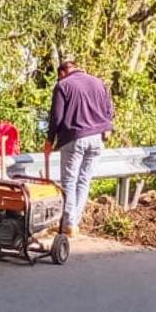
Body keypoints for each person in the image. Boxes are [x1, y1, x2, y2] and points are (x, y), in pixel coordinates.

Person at [44, 60, 114, 237]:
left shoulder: (63, 85)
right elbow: (109, 110)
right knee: (84, 180)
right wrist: (107, 128)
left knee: (69, 181)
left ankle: (69, 224)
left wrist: (49, 140)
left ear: (62, 72)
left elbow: (57, 117)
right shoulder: (98, 82)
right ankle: (74, 221)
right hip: (97, 138)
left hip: (74, 138)